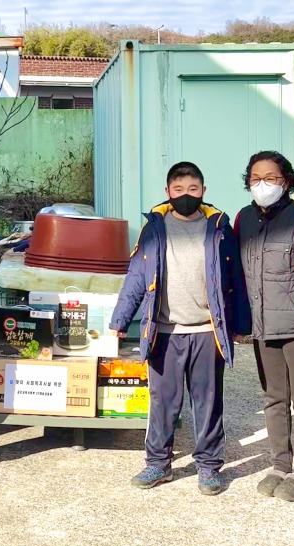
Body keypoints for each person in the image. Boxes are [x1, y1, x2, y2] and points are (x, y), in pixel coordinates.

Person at [110, 161, 250, 495]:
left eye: (192, 190)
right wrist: (120, 320)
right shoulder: (154, 229)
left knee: (208, 401)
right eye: (178, 190)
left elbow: (236, 280)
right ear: (167, 192)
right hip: (164, 331)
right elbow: (136, 278)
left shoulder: (218, 229)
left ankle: (209, 467)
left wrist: (240, 324)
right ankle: (158, 464)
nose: (185, 195)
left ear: (203, 191)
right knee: (162, 402)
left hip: (206, 330)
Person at [236, 151, 294, 502]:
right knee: (274, 398)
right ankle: (279, 464)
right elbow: (237, 274)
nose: (263, 184)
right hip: (264, 327)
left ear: (287, 181)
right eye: (256, 178)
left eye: (271, 178)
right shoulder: (243, 219)